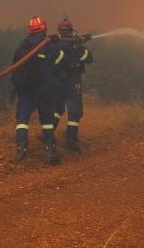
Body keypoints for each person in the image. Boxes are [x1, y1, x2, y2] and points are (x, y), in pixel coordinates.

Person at [10, 16, 65, 164]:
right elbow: (60, 59)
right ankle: (51, 150)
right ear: (44, 28)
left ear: (30, 30)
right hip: (44, 89)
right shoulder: (49, 45)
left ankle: (21, 148)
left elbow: (16, 65)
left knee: (22, 119)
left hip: (26, 89)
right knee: (47, 120)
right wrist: (55, 42)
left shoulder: (23, 45)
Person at [56, 16, 94, 153]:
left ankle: (69, 140)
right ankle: (60, 139)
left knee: (72, 111)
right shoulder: (56, 44)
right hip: (66, 81)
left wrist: (78, 46)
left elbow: (88, 58)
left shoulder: (74, 44)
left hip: (66, 81)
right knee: (62, 110)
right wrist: (77, 46)